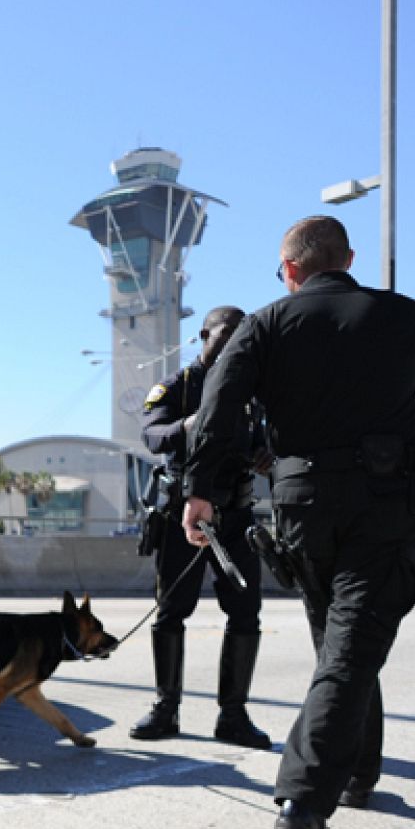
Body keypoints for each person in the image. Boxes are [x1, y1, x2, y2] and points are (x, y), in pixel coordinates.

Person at [182, 215, 415, 829]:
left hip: (303, 504)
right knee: (352, 645)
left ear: (291, 269)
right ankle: (305, 798)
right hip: (384, 500)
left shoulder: (264, 325)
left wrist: (201, 493)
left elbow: (217, 412)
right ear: (347, 258)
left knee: (342, 639)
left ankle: (358, 770)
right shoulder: (404, 315)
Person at [130, 306, 271, 750]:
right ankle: (165, 709)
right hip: (183, 518)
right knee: (172, 611)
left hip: (236, 516)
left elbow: (267, 438)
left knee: (246, 612)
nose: (233, 343)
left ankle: (233, 715)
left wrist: (266, 451)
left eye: (241, 335)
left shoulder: (252, 390)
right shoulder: (179, 385)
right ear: (203, 335)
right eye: (225, 334)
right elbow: (151, 435)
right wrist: (193, 424)